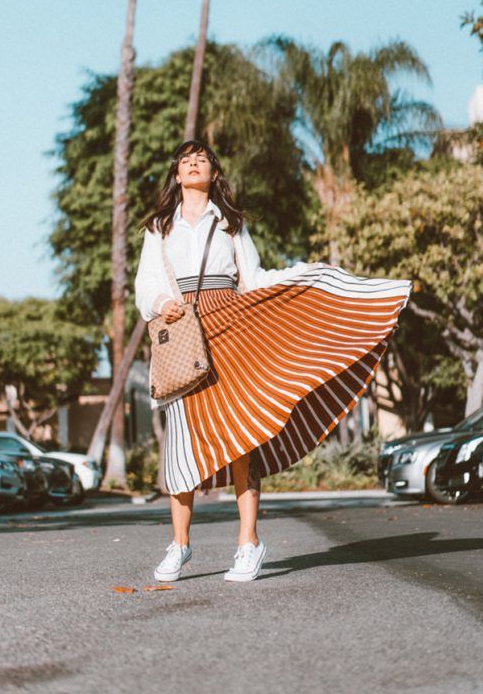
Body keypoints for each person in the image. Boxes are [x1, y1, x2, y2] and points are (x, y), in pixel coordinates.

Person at [135, 140, 411, 584]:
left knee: (243, 439)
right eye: (186, 160)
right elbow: (144, 284)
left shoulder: (230, 223)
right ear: (176, 173)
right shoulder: (159, 227)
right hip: (183, 334)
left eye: (201, 158)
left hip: (233, 330)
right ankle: (180, 545)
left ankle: (248, 543)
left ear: (213, 172)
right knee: (181, 446)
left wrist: (302, 276)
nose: (193, 163)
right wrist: (162, 301)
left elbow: (255, 279)